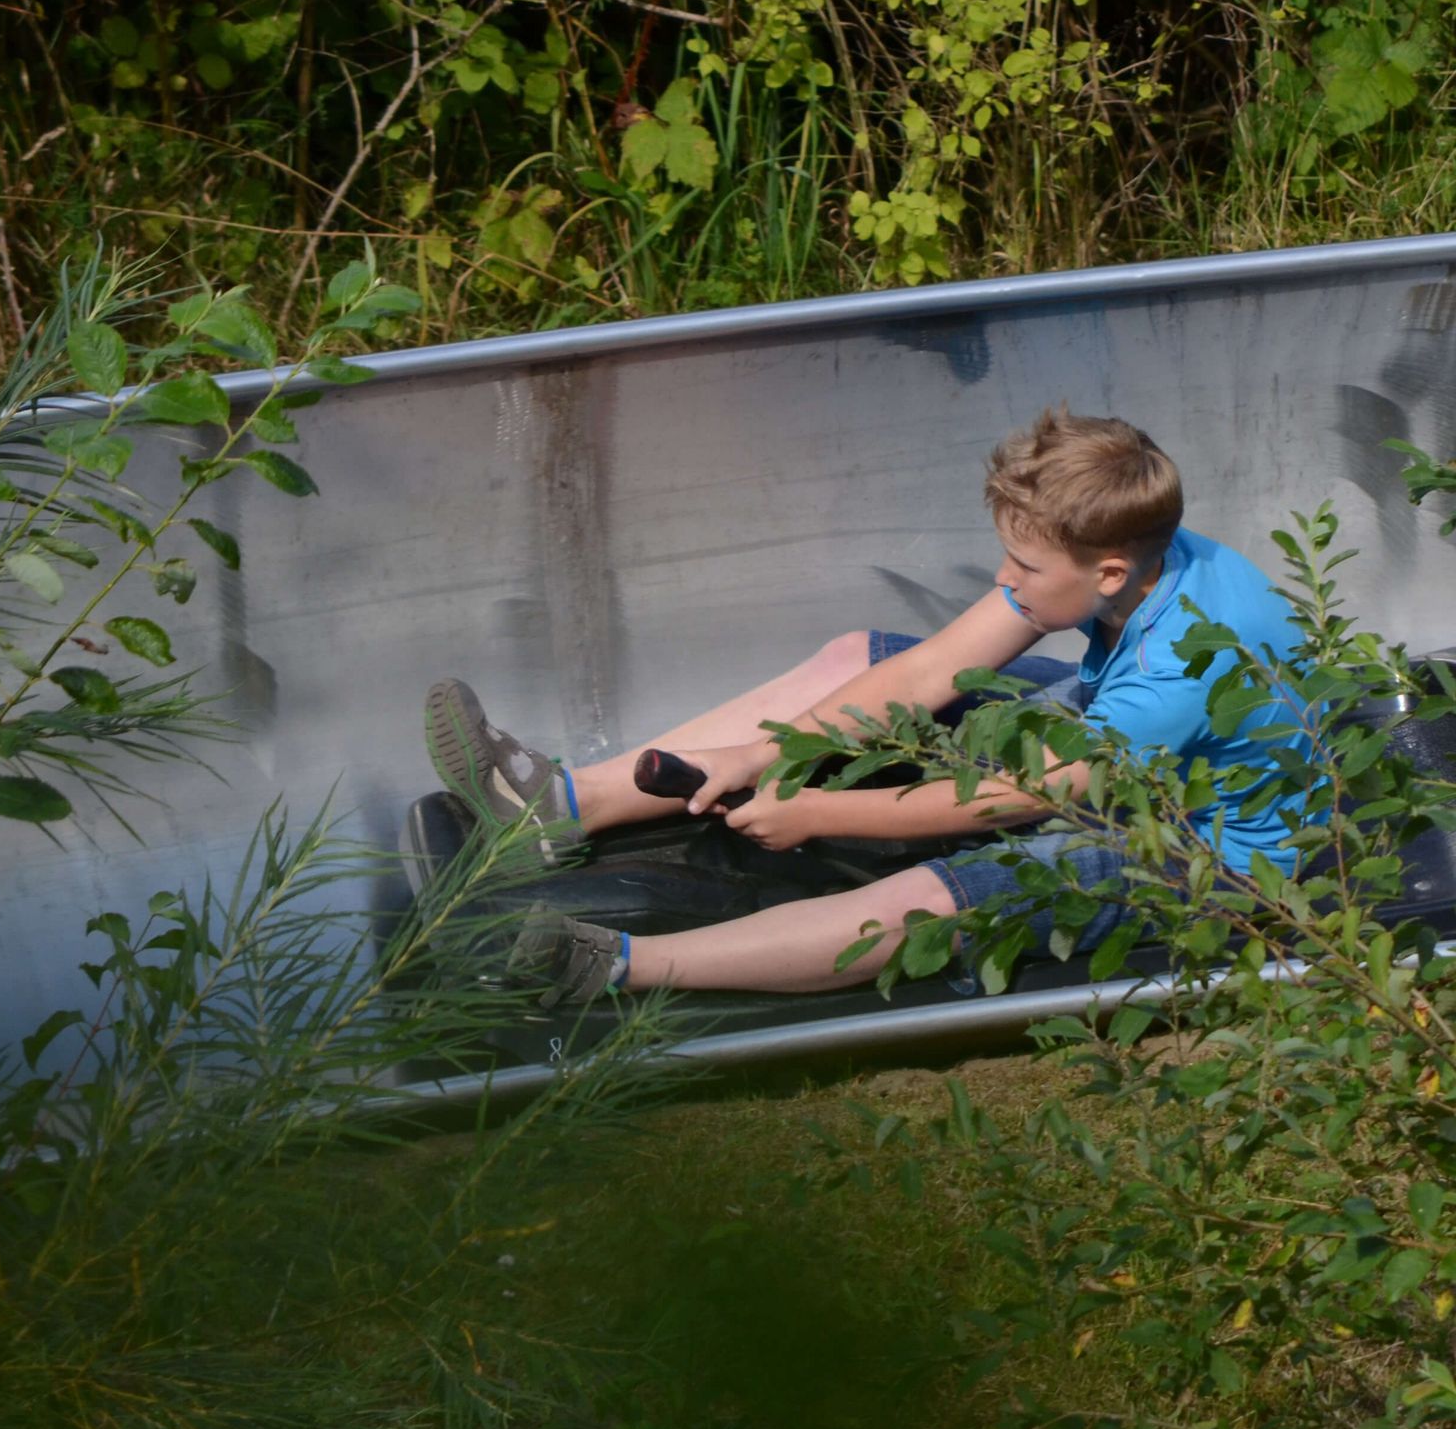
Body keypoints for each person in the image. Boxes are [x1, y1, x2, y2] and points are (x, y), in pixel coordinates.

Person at [423, 407, 1312, 1006]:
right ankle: (563, 806)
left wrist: (817, 810)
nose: (1007, 581)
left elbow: (1003, 796)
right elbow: (928, 673)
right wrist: (760, 755)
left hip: (1203, 856)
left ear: (1108, 572)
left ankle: (609, 968)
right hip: (1119, 749)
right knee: (861, 656)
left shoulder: (1179, 669)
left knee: (939, 899)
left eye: (1026, 570)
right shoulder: (1124, 545)